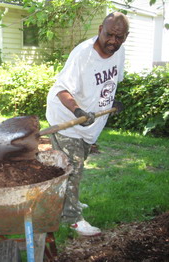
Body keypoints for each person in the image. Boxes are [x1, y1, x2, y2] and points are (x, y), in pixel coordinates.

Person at [46, 12, 129, 236]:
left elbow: (111, 80)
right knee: (72, 169)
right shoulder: (83, 54)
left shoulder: (118, 52)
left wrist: (113, 100)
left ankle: (69, 200)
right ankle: (72, 218)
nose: (113, 41)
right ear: (100, 29)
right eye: (109, 34)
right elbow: (62, 90)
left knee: (78, 163)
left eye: (119, 37)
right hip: (67, 118)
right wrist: (78, 111)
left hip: (90, 123)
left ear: (125, 37)